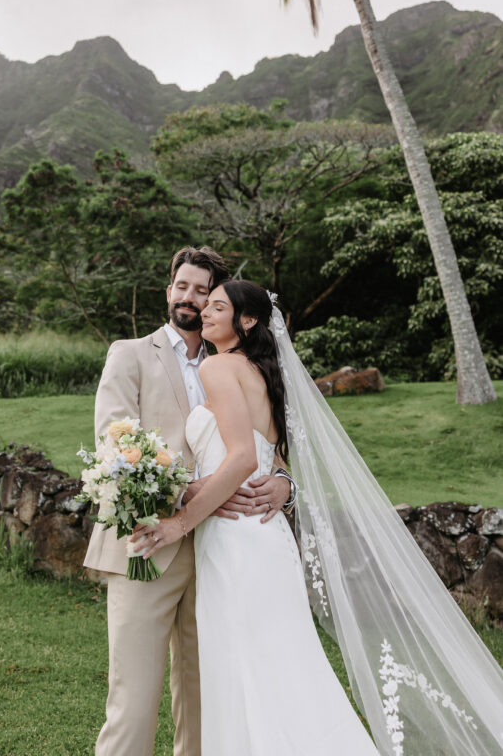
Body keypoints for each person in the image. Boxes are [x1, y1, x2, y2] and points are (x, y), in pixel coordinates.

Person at [134, 280, 503, 756]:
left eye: (218, 306)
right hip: (267, 538)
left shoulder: (219, 367)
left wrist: (177, 523)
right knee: (285, 668)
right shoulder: (263, 372)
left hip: (235, 542)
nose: (204, 310)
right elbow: (271, 458)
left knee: (244, 668)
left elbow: (244, 459)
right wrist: (281, 485)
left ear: (246, 322)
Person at [83, 249, 295, 756]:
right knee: (133, 699)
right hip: (148, 541)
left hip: (220, 552)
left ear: (214, 302)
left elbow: (269, 442)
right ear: (168, 290)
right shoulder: (130, 353)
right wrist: (185, 494)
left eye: (203, 291)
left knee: (206, 697)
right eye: (182, 285)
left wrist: (285, 481)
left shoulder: (237, 362)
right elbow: (113, 442)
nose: (189, 297)